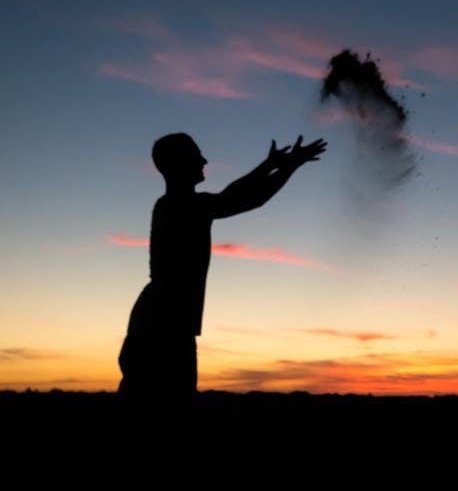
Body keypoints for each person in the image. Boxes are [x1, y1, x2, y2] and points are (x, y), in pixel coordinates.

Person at [116, 132, 326, 421]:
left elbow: (231, 194)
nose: (204, 160)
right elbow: (246, 198)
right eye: (196, 155)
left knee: (145, 412)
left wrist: (269, 165)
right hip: (163, 326)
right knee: (160, 414)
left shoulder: (177, 204)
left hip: (159, 321)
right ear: (180, 164)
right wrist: (289, 166)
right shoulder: (184, 206)